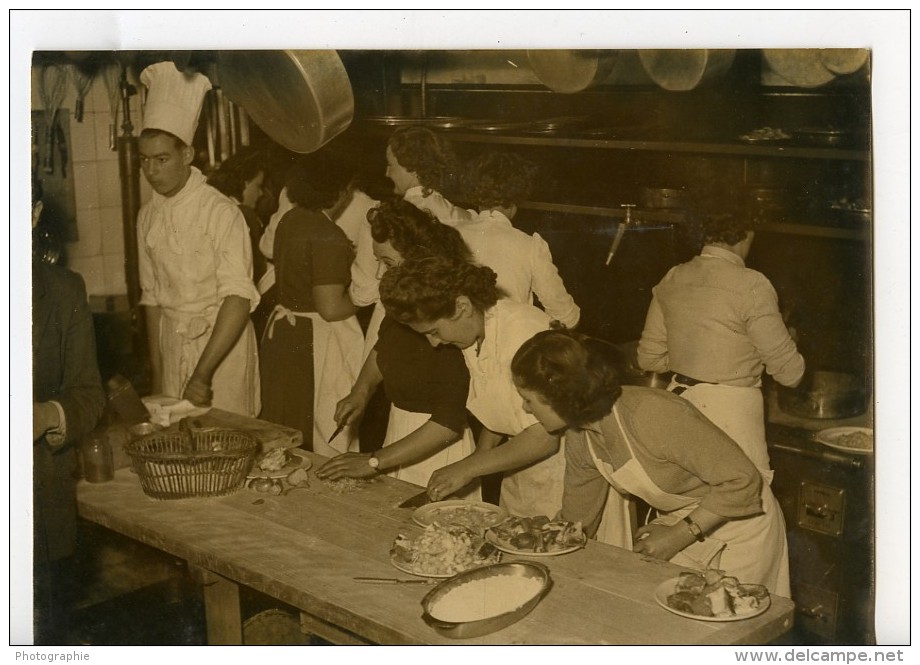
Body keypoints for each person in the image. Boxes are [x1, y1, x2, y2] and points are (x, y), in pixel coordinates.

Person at [511, 329, 791, 596]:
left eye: (528, 400)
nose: (525, 408)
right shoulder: (580, 436)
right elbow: (577, 521)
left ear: (559, 397)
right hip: (687, 523)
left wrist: (678, 535)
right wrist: (539, 557)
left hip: (742, 525)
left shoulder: (649, 415)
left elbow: (742, 480)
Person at [379, 255, 563, 518]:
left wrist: (469, 467)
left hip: (567, 470)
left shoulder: (522, 333)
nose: (434, 343)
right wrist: (479, 456)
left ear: (462, 306)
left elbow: (544, 439)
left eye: (434, 331)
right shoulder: (475, 331)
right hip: (522, 467)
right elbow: (500, 403)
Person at [316, 199, 478, 498]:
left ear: (418, 258)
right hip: (399, 434)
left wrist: (375, 461)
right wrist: (361, 390)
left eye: (388, 262)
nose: (380, 273)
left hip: (437, 449)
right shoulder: (406, 300)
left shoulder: (444, 321)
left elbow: (448, 423)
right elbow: (384, 346)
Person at [636, 203, 805, 483]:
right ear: (747, 233)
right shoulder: (752, 284)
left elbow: (648, 359)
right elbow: (791, 374)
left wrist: (693, 359)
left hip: (680, 408)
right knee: (742, 509)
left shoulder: (673, 276)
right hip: (732, 414)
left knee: (689, 507)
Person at [136, 61, 260, 416]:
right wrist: (161, 380)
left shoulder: (220, 212)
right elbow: (152, 300)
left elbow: (237, 299)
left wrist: (203, 374)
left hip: (222, 350)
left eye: (161, 159)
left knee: (227, 446)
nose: (151, 171)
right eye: (144, 160)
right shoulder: (148, 216)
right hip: (173, 346)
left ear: (187, 155)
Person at [32, 193, 107, 643]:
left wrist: (47, 414)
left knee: (42, 632)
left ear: (33, 212)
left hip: (39, 501)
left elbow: (88, 394)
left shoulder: (63, 290)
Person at [258, 152, 364, 457]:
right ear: (341, 192)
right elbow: (331, 308)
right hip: (312, 341)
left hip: (282, 333)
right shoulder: (328, 234)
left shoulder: (290, 220)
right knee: (314, 431)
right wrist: (365, 296)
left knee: (283, 421)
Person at [459, 150, 581, 328]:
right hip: (510, 342)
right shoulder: (530, 245)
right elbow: (566, 317)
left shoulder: (452, 234)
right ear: (516, 199)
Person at [385, 125, 476, 226]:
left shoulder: (396, 218)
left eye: (390, 165)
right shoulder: (460, 216)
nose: (387, 173)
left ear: (413, 168)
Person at [207, 147, 270, 286]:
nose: (260, 193)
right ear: (245, 183)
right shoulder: (244, 214)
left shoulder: (213, 204)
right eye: (258, 186)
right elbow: (258, 274)